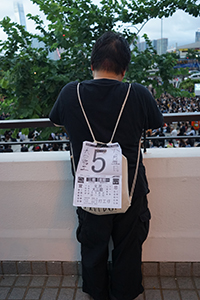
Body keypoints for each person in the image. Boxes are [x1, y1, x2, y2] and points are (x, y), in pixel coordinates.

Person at [49, 31, 163, 300]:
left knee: (93, 244)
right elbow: (156, 124)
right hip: (131, 186)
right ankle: (125, 293)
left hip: (89, 187)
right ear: (125, 69)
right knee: (128, 245)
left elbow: (56, 122)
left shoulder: (70, 93)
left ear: (92, 65)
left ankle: (97, 293)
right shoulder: (138, 94)